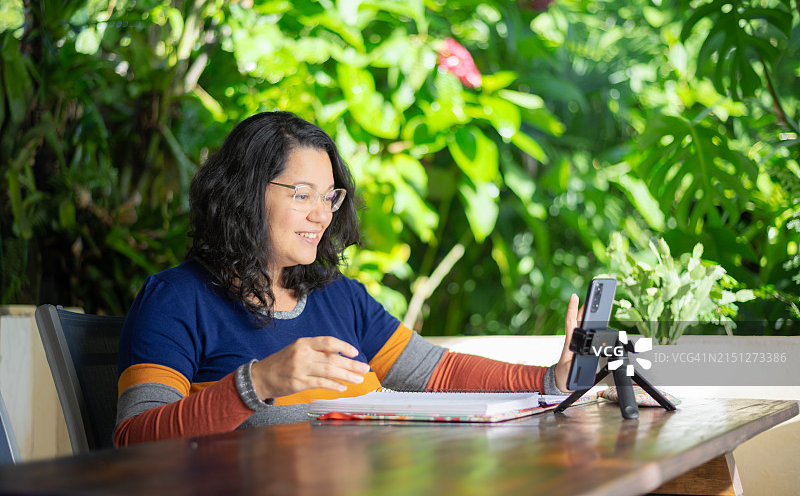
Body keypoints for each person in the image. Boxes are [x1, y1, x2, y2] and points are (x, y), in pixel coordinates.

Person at [115, 111, 580, 446]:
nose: (321, 214)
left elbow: (440, 372)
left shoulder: (338, 297)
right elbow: (135, 438)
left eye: (328, 197)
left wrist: (548, 379)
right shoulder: (177, 299)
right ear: (244, 194)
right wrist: (256, 383)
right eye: (302, 195)